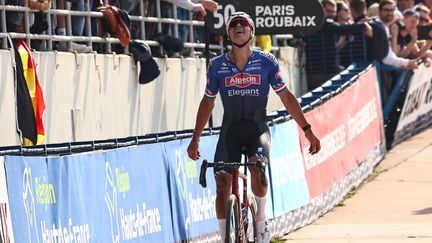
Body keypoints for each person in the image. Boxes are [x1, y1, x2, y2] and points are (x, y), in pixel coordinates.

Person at [186, 12, 321, 243]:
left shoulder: (266, 62)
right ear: (228, 34)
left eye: (243, 24)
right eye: (233, 25)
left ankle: (260, 219)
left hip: (257, 129)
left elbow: (287, 98)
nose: (239, 27)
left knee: (257, 168)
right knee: (221, 184)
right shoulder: (217, 65)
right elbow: (207, 102)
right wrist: (195, 138)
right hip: (230, 131)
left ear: (251, 32)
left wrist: (307, 130)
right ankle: (224, 237)